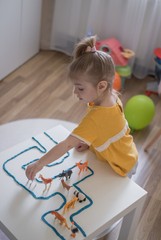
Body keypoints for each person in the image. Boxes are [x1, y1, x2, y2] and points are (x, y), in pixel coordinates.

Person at [25, 36, 138, 181]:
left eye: (80, 88)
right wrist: (89, 142)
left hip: (121, 165)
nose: (75, 92)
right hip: (127, 152)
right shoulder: (112, 96)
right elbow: (109, 130)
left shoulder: (96, 119)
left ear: (101, 86)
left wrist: (39, 164)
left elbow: (66, 145)